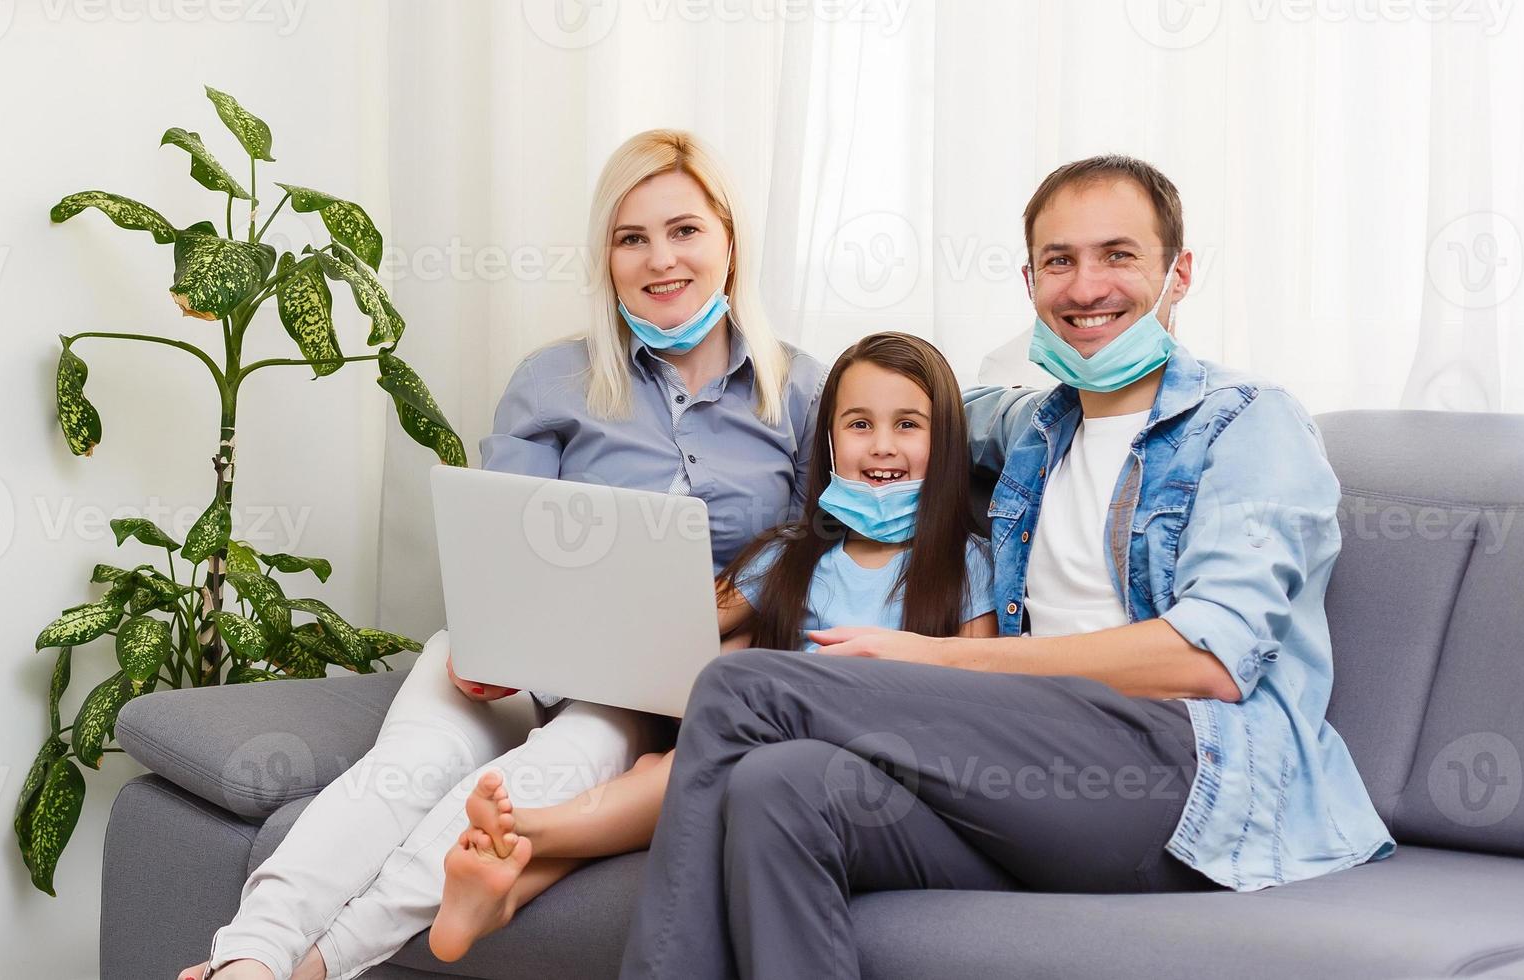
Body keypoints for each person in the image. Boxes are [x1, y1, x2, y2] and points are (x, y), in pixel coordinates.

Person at [612, 154, 1394, 980]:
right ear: (1029, 283)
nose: (1086, 287)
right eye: (1059, 261)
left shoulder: (1249, 424)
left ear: (1179, 272)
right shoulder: (1031, 429)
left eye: (1117, 255)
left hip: (1180, 777)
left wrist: (942, 660)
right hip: (1028, 789)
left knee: (744, 688)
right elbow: (893, 401)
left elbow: (1204, 661)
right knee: (777, 788)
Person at [180, 129, 826, 980]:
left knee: (528, 787)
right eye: (631, 238)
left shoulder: (804, 389)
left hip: (646, 699)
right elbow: (502, 536)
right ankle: (247, 959)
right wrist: (494, 640)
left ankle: (316, 968)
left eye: (684, 231)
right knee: (409, 767)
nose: (659, 259)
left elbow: (827, 544)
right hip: (514, 662)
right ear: (606, 257)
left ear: (728, 239)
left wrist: (735, 602)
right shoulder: (552, 379)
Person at [424, 330, 999, 961]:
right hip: (755, 757)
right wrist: (507, 640)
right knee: (683, 769)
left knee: (689, 775)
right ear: (830, 442)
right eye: (859, 424)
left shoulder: (965, 565)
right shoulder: (789, 557)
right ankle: (506, 888)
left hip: (858, 769)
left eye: (908, 424)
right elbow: (669, 624)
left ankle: (532, 828)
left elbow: (978, 691)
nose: (882, 445)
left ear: (943, 443)